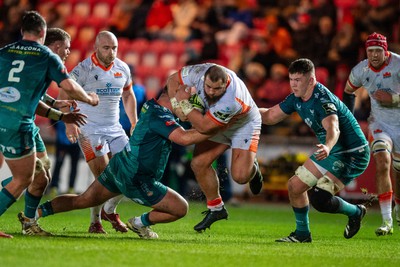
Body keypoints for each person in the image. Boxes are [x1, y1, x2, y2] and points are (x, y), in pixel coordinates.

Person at [36, 87, 213, 239]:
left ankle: (33, 214)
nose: (190, 108)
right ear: (174, 94)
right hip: (136, 178)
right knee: (180, 208)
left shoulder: (152, 105)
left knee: (83, 200)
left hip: (120, 166)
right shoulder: (160, 116)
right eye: (188, 100)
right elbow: (184, 139)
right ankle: (139, 223)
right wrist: (215, 126)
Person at [0, 11, 99, 239]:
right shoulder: (45, 55)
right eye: (66, 48)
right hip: (17, 124)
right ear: (43, 33)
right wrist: (91, 99)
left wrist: (57, 109)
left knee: (42, 174)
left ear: (22, 31)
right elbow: (70, 86)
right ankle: (17, 206)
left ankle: (28, 222)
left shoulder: (5, 52)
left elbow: (23, 94)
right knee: (24, 178)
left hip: (13, 120)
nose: (67, 52)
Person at [259, 58, 369, 243]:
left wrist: (327, 145)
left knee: (320, 200)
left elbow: (333, 128)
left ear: (311, 80)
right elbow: (270, 116)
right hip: (333, 151)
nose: (293, 84)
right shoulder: (296, 98)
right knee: (295, 186)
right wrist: (245, 111)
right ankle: (302, 234)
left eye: (298, 80)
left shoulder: (322, 99)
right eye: (291, 79)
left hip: (353, 153)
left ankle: (356, 212)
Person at [167, 63, 263, 232]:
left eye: (216, 89)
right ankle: (216, 208)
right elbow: (172, 80)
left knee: (240, 177)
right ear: (203, 79)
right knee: (198, 163)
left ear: (225, 85)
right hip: (216, 120)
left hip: (243, 125)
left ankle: (252, 169)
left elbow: (204, 127)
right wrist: (176, 105)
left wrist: (184, 103)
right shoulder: (198, 72)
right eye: (208, 87)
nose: (211, 92)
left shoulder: (231, 99)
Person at [60, 31, 138, 234]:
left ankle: (109, 210)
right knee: (104, 178)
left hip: (114, 128)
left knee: (130, 171)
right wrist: (69, 122)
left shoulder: (123, 68)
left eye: (114, 48)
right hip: (89, 128)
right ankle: (95, 222)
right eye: (106, 48)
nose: (111, 52)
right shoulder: (83, 69)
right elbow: (63, 94)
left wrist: (134, 121)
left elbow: (128, 95)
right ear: (96, 47)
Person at [343, 32, 400, 236]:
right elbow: (348, 91)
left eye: (378, 50)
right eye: (370, 51)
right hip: (380, 124)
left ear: (385, 51)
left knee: (398, 170)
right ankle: (387, 222)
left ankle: (398, 206)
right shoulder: (361, 70)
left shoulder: (398, 64)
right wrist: (348, 118)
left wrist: (393, 100)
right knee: (383, 162)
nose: (374, 55)